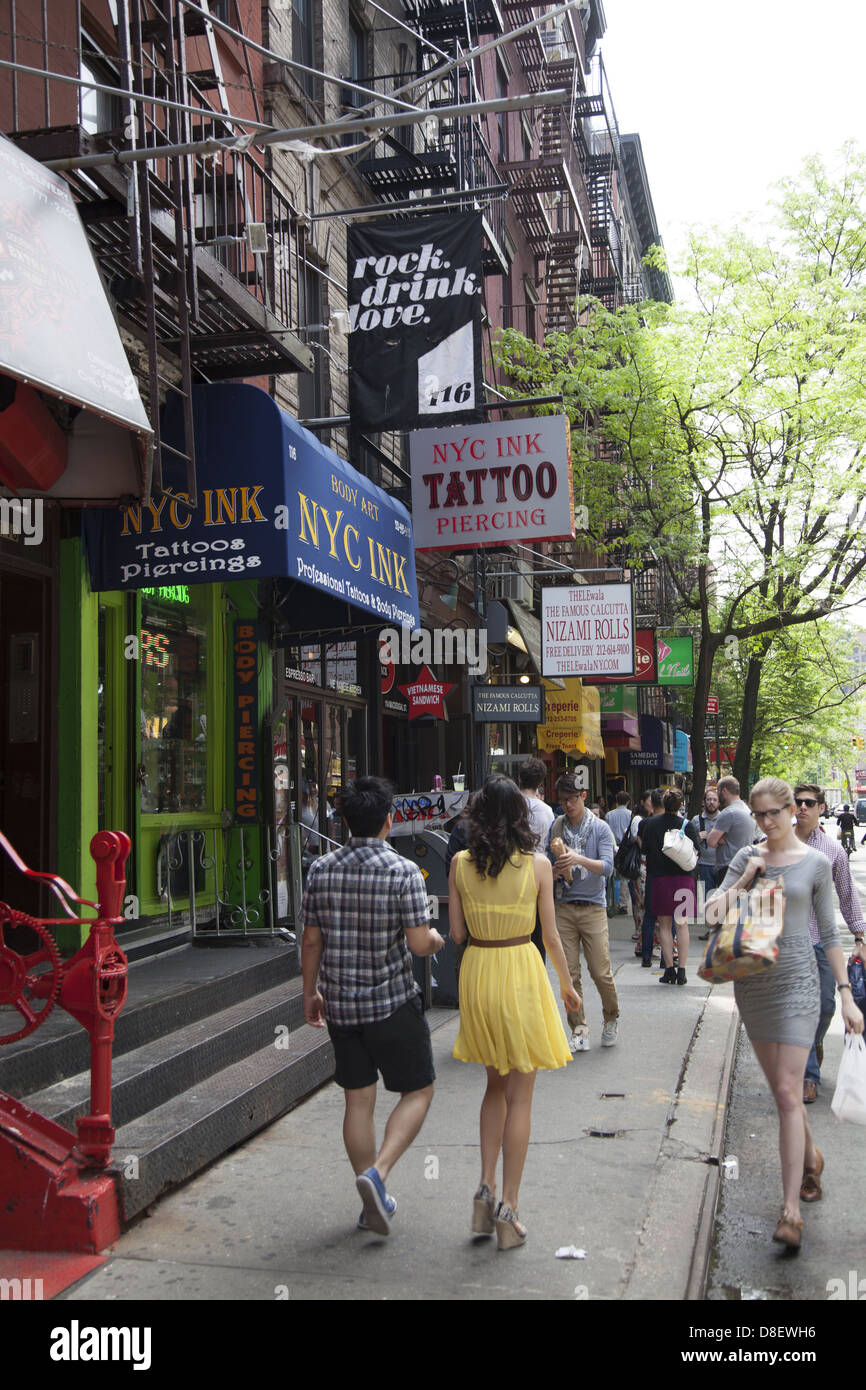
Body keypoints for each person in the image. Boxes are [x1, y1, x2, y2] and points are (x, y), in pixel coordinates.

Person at [705, 777, 865, 1249]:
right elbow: (711, 915)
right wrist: (747, 879)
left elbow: (831, 935)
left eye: (775, 813)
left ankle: (790, 1211)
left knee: (788, 1092)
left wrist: (847, 994)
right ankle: (810, 1156)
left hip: (799, 982)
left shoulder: (817, 862)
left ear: (794, 810)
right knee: (783, 1094)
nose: (767, 822)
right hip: (754, 986)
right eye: (759, 815)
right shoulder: (746, 859)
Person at [301, 776, 444, 1237]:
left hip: (341, 1006)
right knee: (418, 1090)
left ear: (343, 820)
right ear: (388, 821)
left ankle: (371, 1202)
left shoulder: (320, 869)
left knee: (357, 1101)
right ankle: (378, 1174)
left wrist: (310, 992)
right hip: (392, 1003)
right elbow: (421, 944)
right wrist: (438, 937)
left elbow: (310, 940)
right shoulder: (402, 871)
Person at [448, 775, 579, 1249]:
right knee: (521, 1096)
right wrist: (566, 985)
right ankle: (510, 1208)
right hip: (520, 970)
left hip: (479, 972)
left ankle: (484, 1193)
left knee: (494, 1087)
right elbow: (551, 936)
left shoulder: (461, 864)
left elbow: (457, 936)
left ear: (479, 815)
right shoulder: (539, 866)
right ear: (522, 817)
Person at [792, 783, 866, 1103]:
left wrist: (860, 936)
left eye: (809, 803)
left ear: (822, 808)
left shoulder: (833, 851)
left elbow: (848, 897)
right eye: (798, 803)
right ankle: (809, 1076)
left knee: (825, 1006)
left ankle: (815, 1041)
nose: (802, 808)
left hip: (822, 941)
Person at [548, 774, 620, 1050]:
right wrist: (555, 870)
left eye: (572, 799)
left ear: (584, 796)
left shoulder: (600, 828)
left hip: (593, 907)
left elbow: (608, 867)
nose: (567, 805)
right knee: (569, 974)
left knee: (600, 971)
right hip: (564, 906)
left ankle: (611, 1016)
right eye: (563, 801)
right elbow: (546, 863)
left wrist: (578, 858)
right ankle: (578, 1027)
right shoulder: (557, 827)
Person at [638, 789, 699, 985]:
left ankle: (669, 969)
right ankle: (682, 970)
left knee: (663, 925)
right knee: (682, 925)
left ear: (663, 803)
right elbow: (698, 851)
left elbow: (645, 849)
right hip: (683, 879)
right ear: (681, 805)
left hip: (660, 879)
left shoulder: (651, 824)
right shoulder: (687, 826)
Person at [517, 757, 555, 961]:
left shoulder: (510, 806)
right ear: (540, 783)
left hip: (512, 873)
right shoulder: (547, 812)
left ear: (519, 778)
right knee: (539, 935)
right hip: (539, 877)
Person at [707, 776, 758, 886]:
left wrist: (720, 838)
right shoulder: (747, 810)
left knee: (726, 902)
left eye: (718, 791)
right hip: (745, 867)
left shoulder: (728, 813)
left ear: (724, 791)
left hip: (728, 868)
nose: (717, 794)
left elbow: (710, 841)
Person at [637, 788, 664, 966]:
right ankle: (668, 954)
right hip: (672, 874)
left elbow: (643, 848)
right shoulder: (680, 822)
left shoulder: (646, 823)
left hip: (651, 872)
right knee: (669, 918)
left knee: (649, 915)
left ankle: (646, 954)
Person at [690, 787, 720, 940]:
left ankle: (720, 929)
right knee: (708, 899)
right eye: (709, 799)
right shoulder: (697, 820)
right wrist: (698, 838)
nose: (711, 802)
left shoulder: (723, 818)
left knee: (722, 898)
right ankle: (711, 929)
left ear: (719, 802)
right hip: (704, 864)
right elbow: (688, 842)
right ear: (704, 802)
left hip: (721, 864)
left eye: (714, 799)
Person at [606, 791, 632, 915]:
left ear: (616, 800)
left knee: (610, 875)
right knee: (623, 877)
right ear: (628, 801)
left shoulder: (609, 815)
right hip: (625, 847)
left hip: (611, 846)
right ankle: (622, 903)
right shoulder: (630, 814)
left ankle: (609, 901)